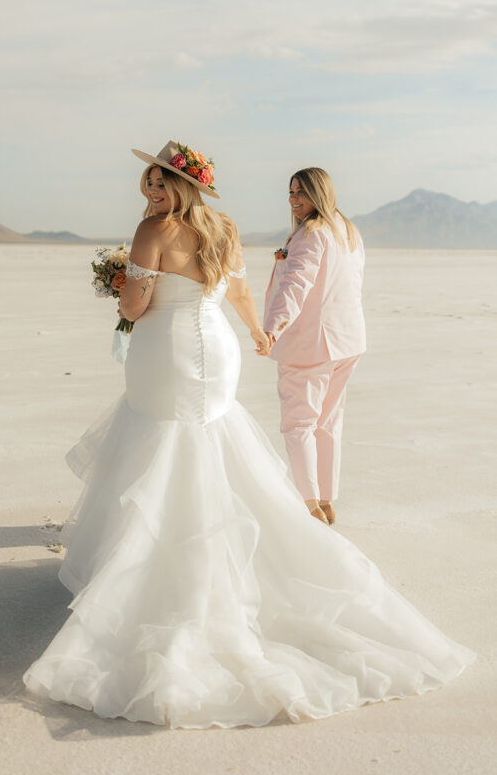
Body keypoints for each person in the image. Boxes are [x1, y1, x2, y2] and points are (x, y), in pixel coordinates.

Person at [23, 140, 473, 729]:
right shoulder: (225, 227)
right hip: (219, 348)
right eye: (148, 186)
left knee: (162, 443)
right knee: (208, 441)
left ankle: (159, 565)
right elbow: (235, 292)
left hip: (170, 351)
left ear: (183, 186)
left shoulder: (150, 231)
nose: (152, 194)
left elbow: (136, 307)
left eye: (161, 184)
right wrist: (259, 335)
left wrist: (120, 285)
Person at [263, 168, 365, 526]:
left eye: (301, 193)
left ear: (319, 194)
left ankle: (310, 506)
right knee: (327, 423)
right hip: (348, 341)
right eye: (290, 192)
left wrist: (273, 328)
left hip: (312, 345)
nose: (293, 200)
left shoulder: (312, 233)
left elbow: (296, 284)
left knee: (299, 425)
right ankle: (326, 499)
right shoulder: (347, 229)